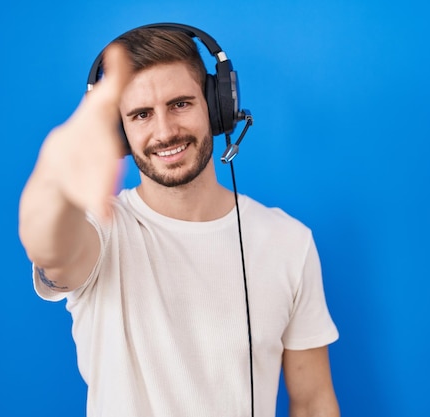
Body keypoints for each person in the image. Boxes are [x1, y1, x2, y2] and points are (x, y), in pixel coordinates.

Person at [19, 24, 340, 417]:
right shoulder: (102, 231)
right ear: (119, 132)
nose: (165, 131)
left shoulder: (288, 241)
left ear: (216, 105)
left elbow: (312, 401)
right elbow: (49, 247)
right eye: (140, 114)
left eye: (180, 104)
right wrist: (54, 178)